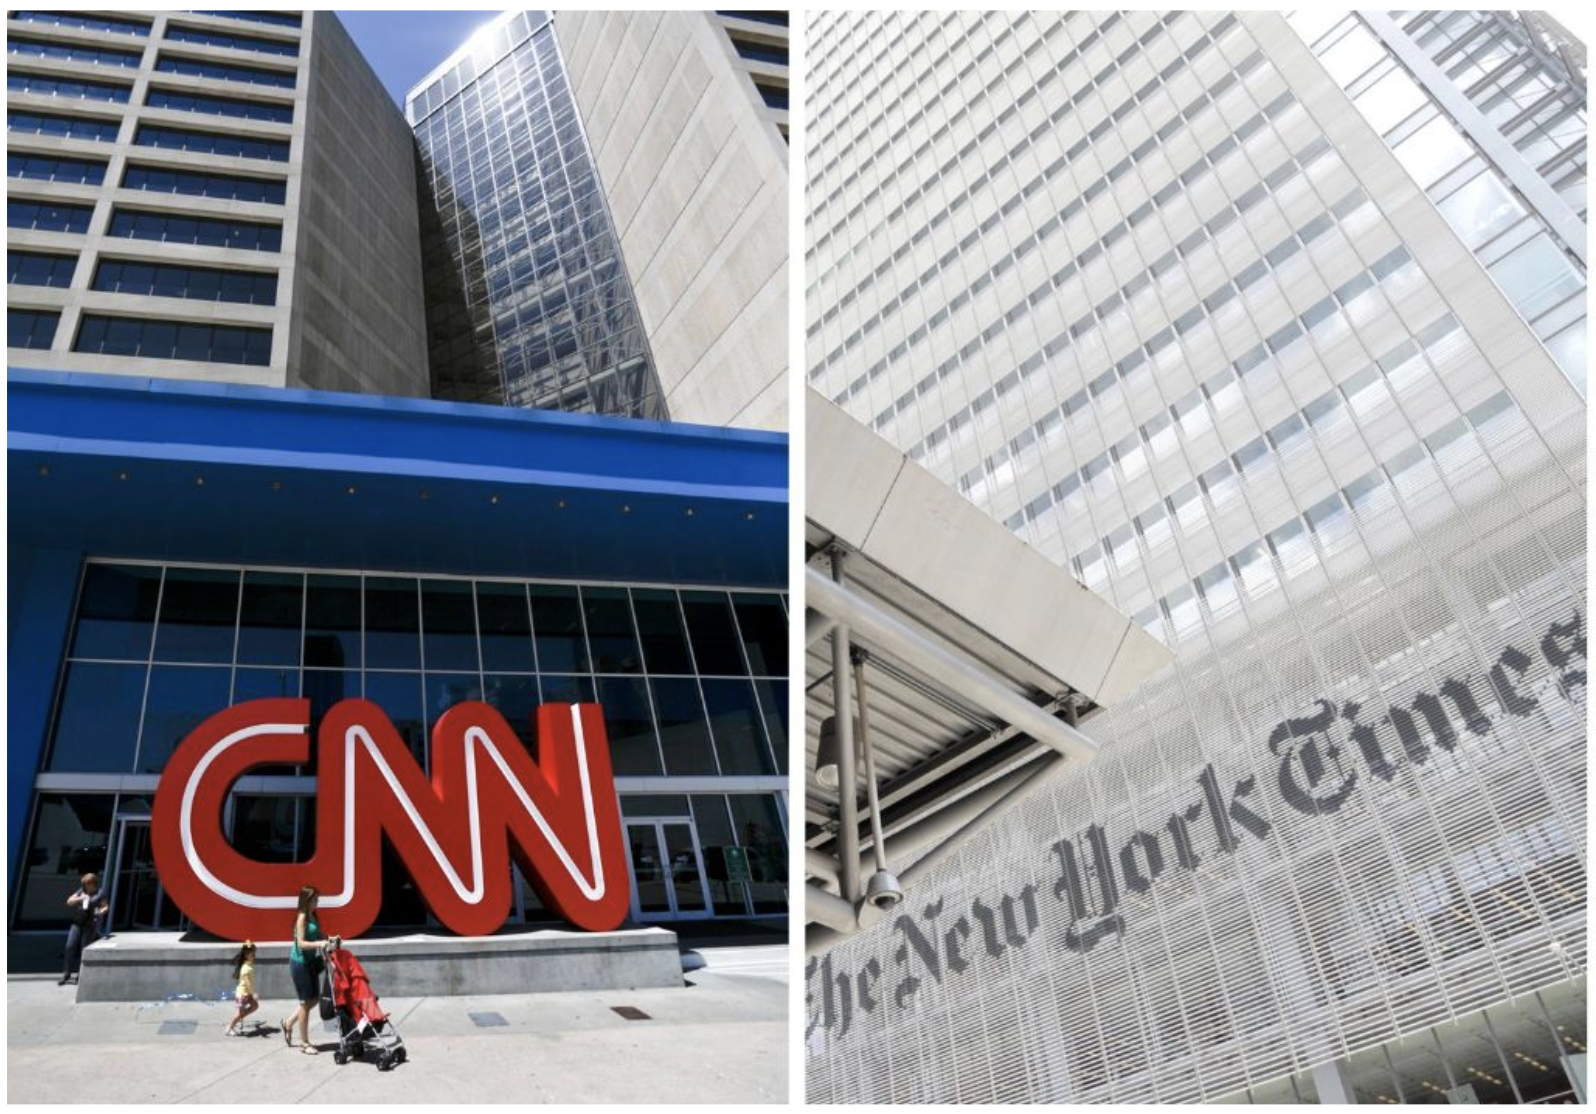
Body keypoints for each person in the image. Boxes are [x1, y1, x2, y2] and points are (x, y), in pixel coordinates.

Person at [280, 886, 339, 1054]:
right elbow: (301, 943)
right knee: (305, 1003)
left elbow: (318, 934)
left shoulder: (313, 915)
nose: (317, 902)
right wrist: (319, 944)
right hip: (300, 964)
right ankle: (305, 1043)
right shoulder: (302, 917)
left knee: (313, 1000)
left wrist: (329, 938)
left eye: (317, 900)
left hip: (311, 962)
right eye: (315, 900)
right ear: (306, 900)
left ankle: (288, 1023)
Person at [60, 873, 108, 986]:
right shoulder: (81, 891)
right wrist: (80, 898)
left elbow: (105, 906)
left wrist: (101, 912)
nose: (86, 886)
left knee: (84, 949)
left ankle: (80, 975)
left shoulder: (100, 893)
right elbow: (69, 901)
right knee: (70, 947)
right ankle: (66, 974)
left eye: (87, 884)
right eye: (84, 884)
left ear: (93, 883)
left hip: (90, 924)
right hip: (77, 923)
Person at [225, 940, 259, 1036]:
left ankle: (238, 1019)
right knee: (240, 1013)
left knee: (255, 1006)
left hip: (246, 993)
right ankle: (230, 1027)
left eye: (254, 953)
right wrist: (253, 993)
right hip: (242, 995)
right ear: (246, 955)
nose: (254, 955)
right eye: (252, 954)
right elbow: (247, 983)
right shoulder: (245, 968)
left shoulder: (248, 965)